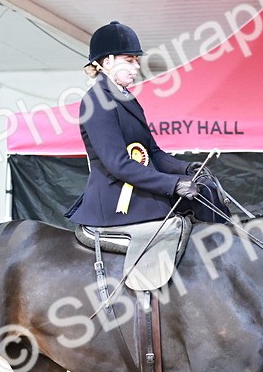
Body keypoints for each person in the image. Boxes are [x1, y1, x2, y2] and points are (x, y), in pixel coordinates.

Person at [65, 21, 227, 227]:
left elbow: (153, 152)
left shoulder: (127, 98)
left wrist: (186, 169)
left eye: (136, 60)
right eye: (129, 60)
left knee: (206, 190)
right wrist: (173, 183)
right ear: (107, 62)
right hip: (117, 198)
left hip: (140, 187)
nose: (136, 67)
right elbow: (118, 164)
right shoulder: (96, 101)